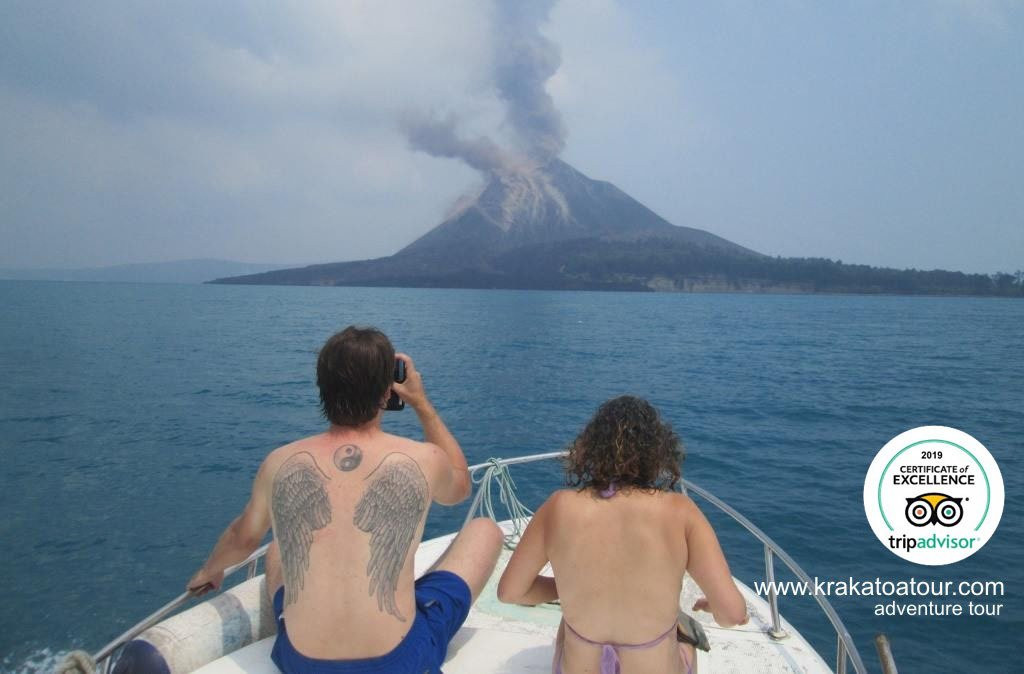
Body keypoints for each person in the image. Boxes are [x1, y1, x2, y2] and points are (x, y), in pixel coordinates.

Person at [187, 326, 503, 674]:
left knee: (277, 548)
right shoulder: (422, 460)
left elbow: (242, 538)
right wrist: (422, 404)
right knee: (485, 529)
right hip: (397, 662)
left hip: (300, 662)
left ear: (323, 388)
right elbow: (460, 488)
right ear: (388, 390)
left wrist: (209, 570)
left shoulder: (280, 462)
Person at [497, 396, 748, 674]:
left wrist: (570, 589)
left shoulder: (559, 507)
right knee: (680, 632)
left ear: (591, 448)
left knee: (569, 624)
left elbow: (511, 592)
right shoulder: (681, 512)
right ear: (658, 452)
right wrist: (714, 606)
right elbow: (733, 614)